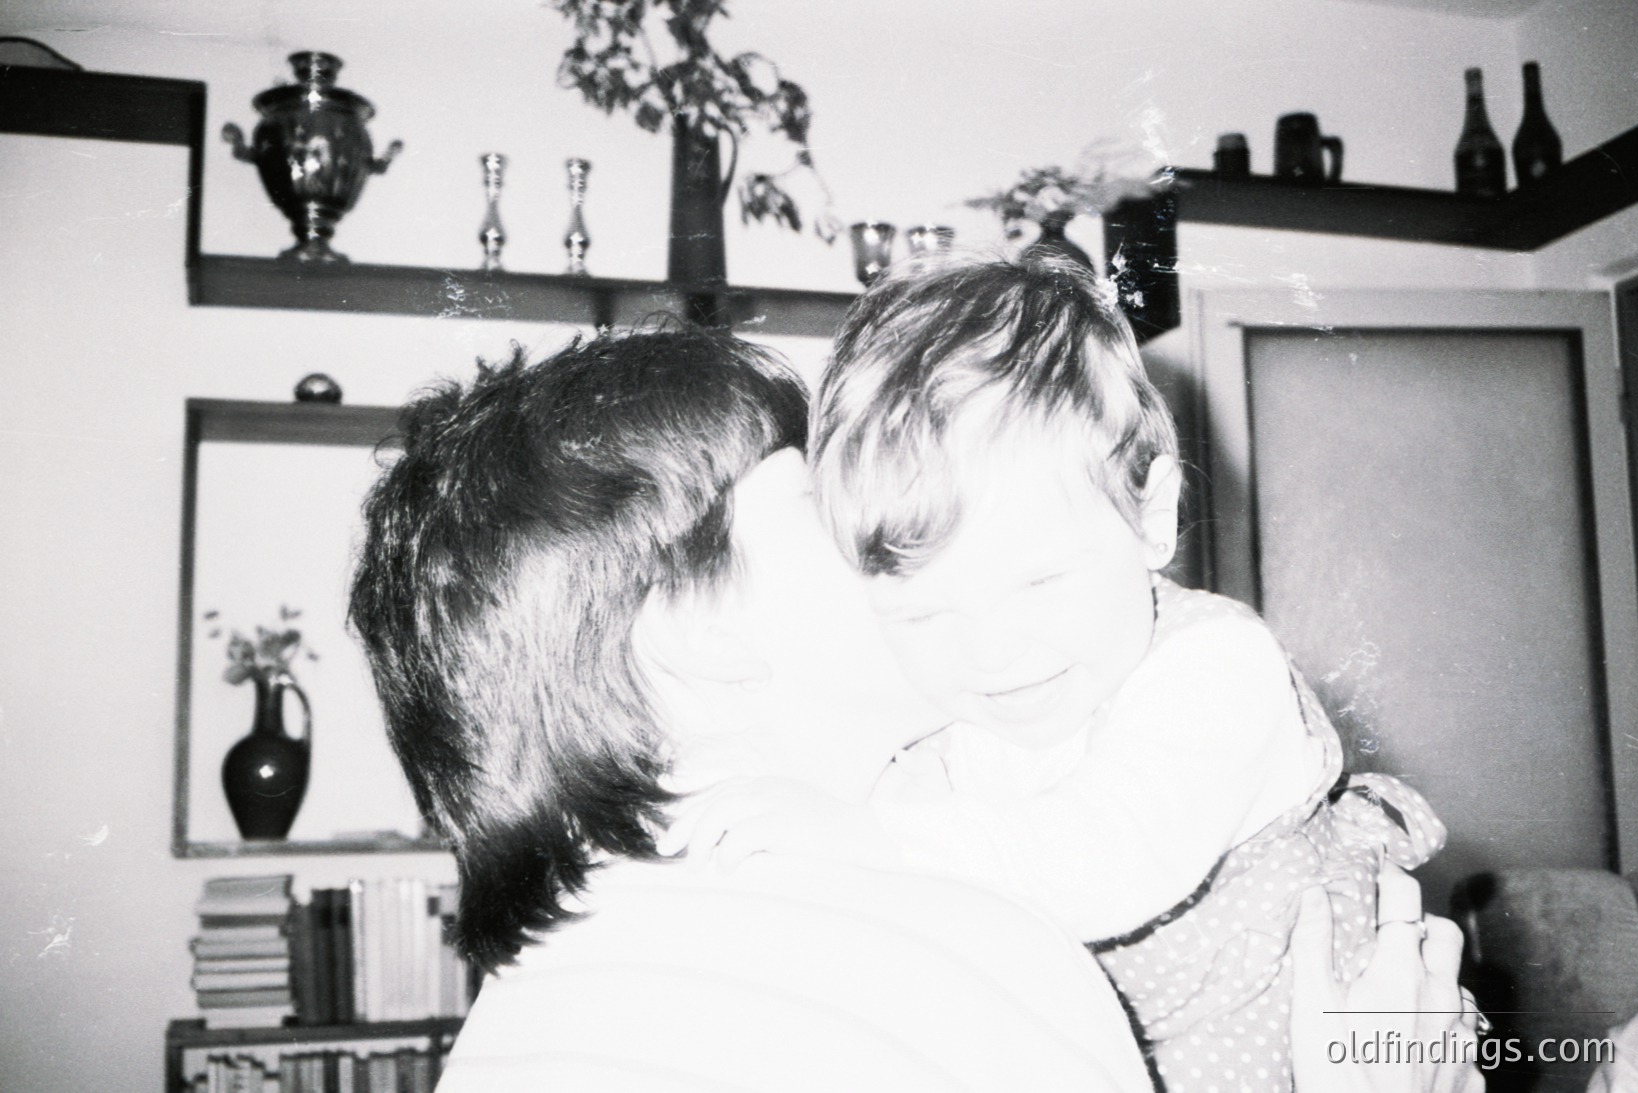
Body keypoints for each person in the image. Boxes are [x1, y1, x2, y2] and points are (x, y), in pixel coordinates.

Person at [348, 324, 1477, 1092]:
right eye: (814, 495)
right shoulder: (958, 953)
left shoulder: (539, 999)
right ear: (696, 624)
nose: (889, 531)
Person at [679, 252, 1447, 1093]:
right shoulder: (955, 726)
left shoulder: (1215, 666)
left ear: (1150, 515)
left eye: (1038, 585)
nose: (989, 652)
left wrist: (878, 839)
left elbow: (1102, 856)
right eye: (923, 615)